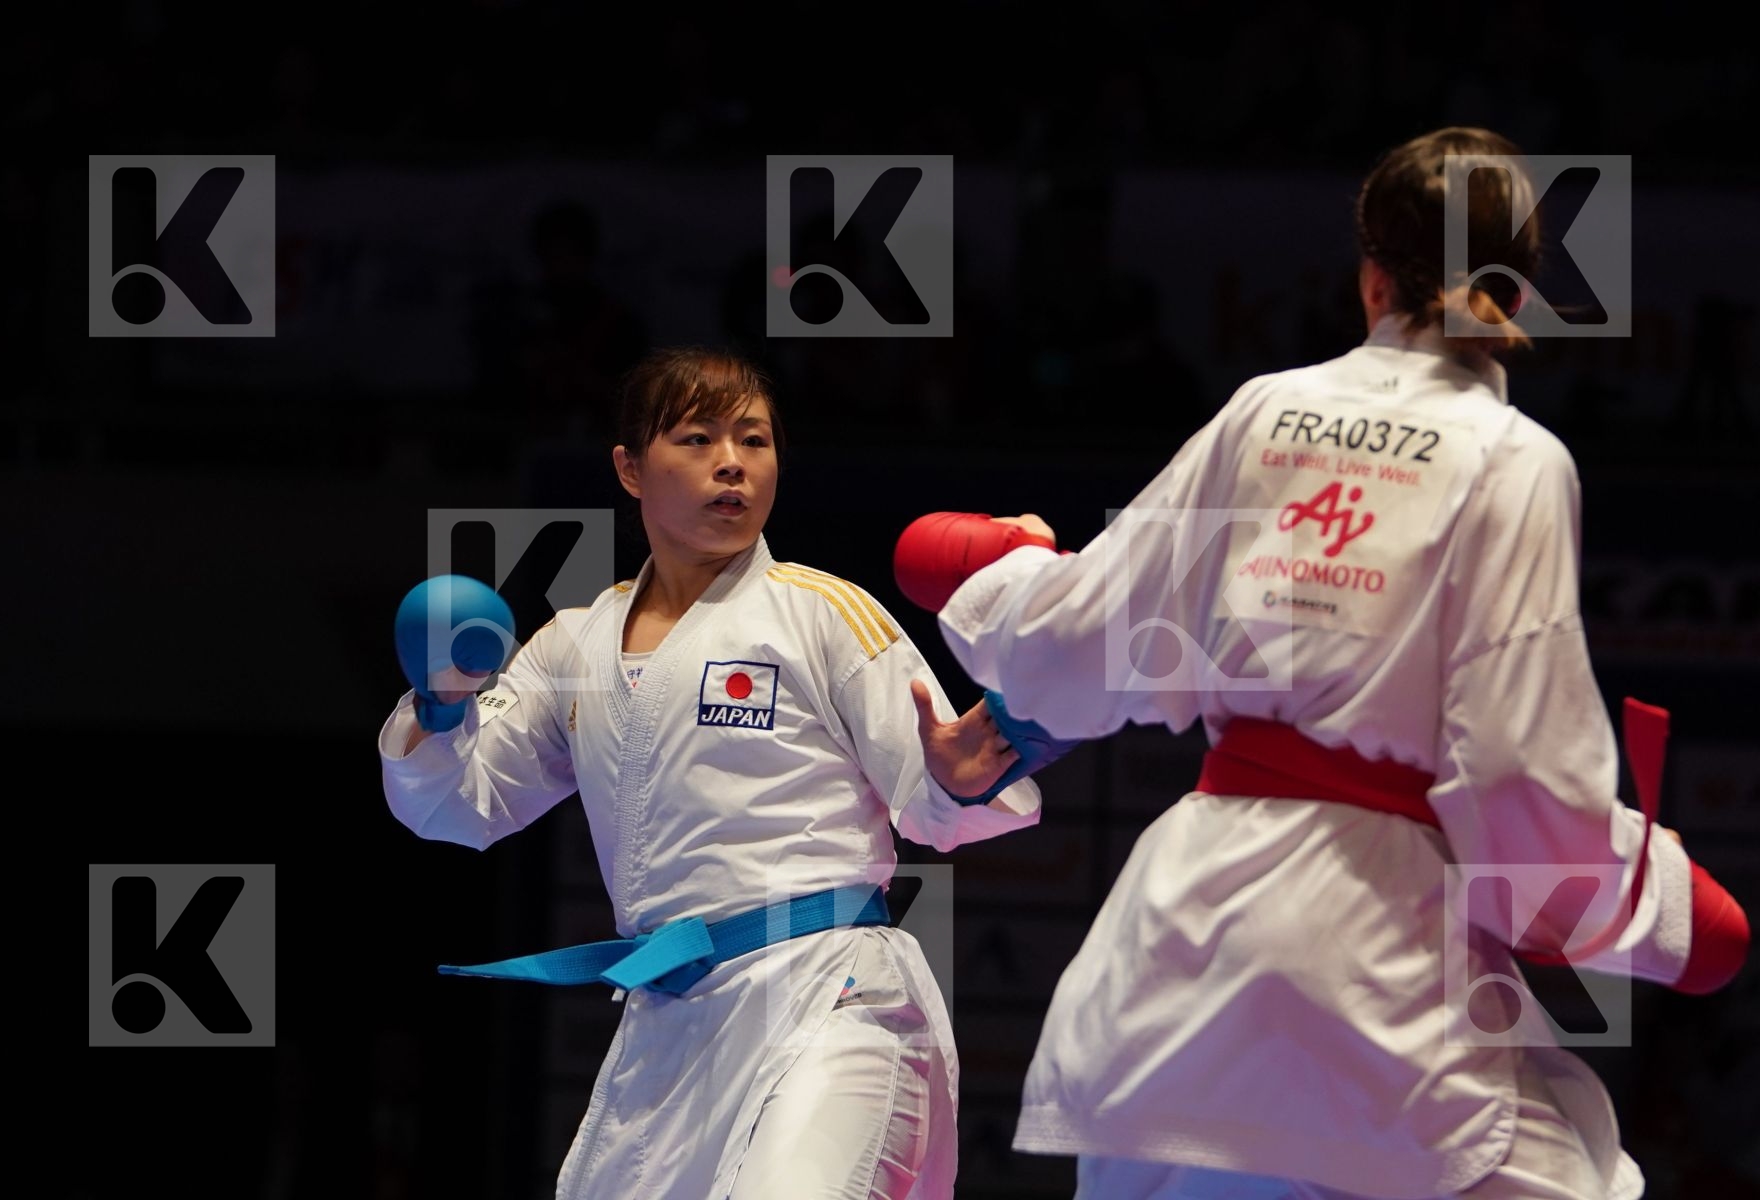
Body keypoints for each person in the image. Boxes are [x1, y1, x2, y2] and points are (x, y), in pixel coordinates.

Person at [918, 128, 1749, 1199]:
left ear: (1371, 279)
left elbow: (1081, 644)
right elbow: (1516, 772)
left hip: (1184, 951)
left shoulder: (1265, 408)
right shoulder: (1517, 459)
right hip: (1377, 969)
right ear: (1524, 292)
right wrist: (1658, 898)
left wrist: (1004, 573)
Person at [378, 347, 1043, 1199]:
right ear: (629, 468)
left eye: (754, 440)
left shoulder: (818, 611)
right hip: (673, 1027)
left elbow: (941, 801)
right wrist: (440, 707)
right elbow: (460, 807)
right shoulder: (574, 645)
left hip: (829, 1000)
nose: (731, 462)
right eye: (696, 438)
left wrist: (955, 776)